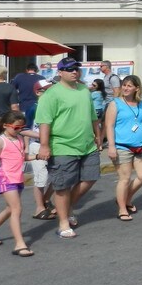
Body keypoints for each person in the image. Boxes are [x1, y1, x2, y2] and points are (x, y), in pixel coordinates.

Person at [35, 56, 101, 239]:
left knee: (91, 177)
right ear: (60, 72)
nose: (74, 72)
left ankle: (67, 207)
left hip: (87, 145)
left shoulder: (84, 91)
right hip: (62, 146)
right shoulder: (51, 94)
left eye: (76, 69)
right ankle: (63, 223)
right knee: (62, 186)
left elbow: (92, 115)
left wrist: (98, 135)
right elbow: (44, 122)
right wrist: (44, 145)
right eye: (70, 69)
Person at [0, 111, 36, 256]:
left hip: (17, 177)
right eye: (16, 127)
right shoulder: (0, 141)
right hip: (5, 178)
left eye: (21, 127)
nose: (19, 130)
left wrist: (38, 156)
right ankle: (19, 244)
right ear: (5, 126)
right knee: (16, 209)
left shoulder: (19, 138)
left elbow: (22, 156)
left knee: (10, 208)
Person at [105, 75, 142, 221]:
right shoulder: (115, 104)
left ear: (136, 88)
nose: (125, 88)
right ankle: (122, 209)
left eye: (129, 86)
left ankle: (126, 198)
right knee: (124, 178)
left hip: (140, 146)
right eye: (124, 85)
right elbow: (109, 126)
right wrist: (111, 146)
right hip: (122, 146)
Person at [22, 79, 56, 220]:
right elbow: (23, 129)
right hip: (37, 145)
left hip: (55, 144)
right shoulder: (33, 108)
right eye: (47, 91)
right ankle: (39, 208)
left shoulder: (55, 106)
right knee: (41, 178)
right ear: (38, 92)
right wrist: (40, 136)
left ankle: (46, 199)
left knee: (59, 175)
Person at [11, 63, 43, 128]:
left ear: (26, 70)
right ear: (36, 70)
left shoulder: (19, 77)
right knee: (36, 129)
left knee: (24, 129)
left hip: (23, 107)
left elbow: (12, 89)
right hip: (37, 107)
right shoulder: (41, 78)